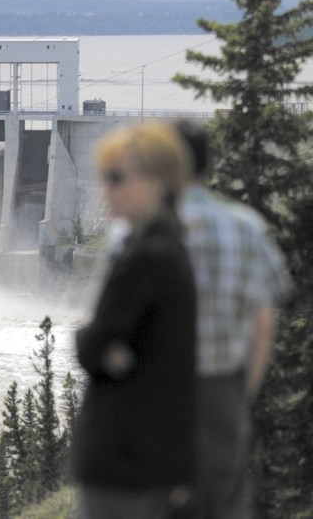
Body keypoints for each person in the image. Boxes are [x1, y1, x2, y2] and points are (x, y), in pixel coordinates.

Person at [72, 122, 197, 519]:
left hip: (123, 459)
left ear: (158, 182)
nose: (105, 188)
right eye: (103, 177)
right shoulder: (171, 247)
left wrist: (102, 349)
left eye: (116, 177)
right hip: (153, 457)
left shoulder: (146, 257)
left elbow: (92, 347)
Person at [173, 120, 290, 519]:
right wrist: (242, 391)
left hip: (156, 394)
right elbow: (263, 323)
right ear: (211, 165)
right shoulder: (247, 228)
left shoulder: (138, 232)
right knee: (224, 501)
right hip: (222, 388)